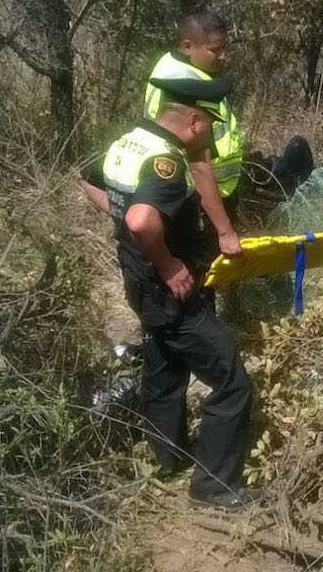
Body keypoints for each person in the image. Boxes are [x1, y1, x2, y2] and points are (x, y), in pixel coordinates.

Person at [79, 76, 254, 510]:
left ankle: (166, 455)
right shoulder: (166, 162)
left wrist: (122, 222)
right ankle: (214, 487)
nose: (212, 137)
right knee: (233, 383)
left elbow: (86, 178)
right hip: (165, 287)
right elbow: (141, 220)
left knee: (164, 361)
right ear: (195, 121)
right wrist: (168, 263)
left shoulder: (128, 143)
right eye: (212, 127)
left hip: (137, 282)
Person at [144, 11, 244, 259]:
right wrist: (225, 231)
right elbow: (198, 165)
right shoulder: (188, 86)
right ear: (187, 46)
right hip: (200, 199)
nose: (223, 56)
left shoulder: (169, 66)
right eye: (214, 49)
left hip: (203, 194)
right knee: (205, 273)